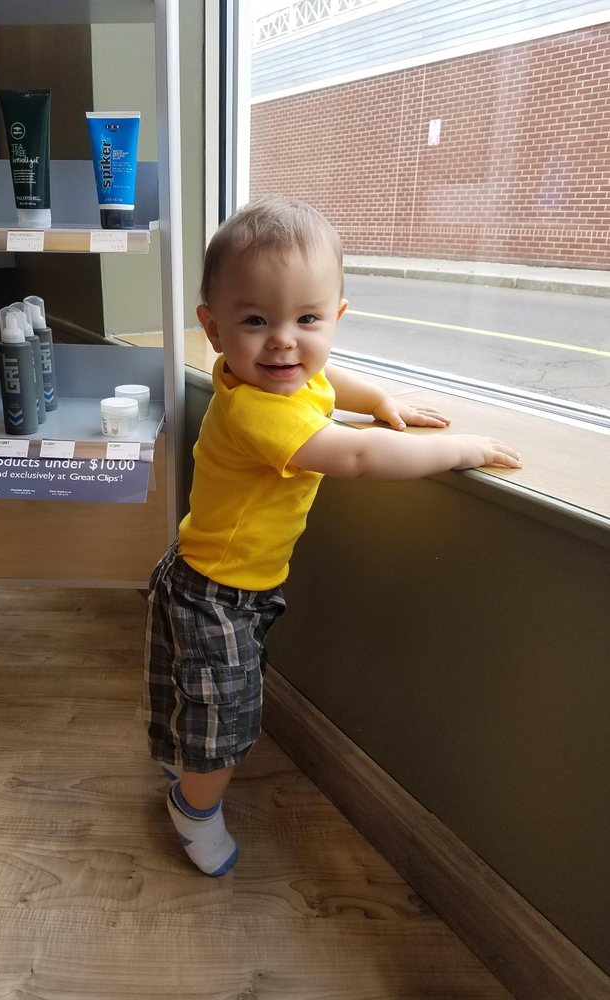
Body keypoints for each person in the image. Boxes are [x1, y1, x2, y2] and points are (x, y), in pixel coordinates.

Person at [143, 195, 521, 877]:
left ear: (335, 318)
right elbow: (359, 456)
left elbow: (326, 378)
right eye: (256, 320)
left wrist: (379, 400)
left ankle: (184, 763)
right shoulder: (261, 412)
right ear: (214, 328)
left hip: (208, 574)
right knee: (225, 719)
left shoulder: (285, 375)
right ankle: (192, 807)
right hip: (215, 596)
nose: (284, 341)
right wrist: (462, 449)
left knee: (194, 695)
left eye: (307, 319)